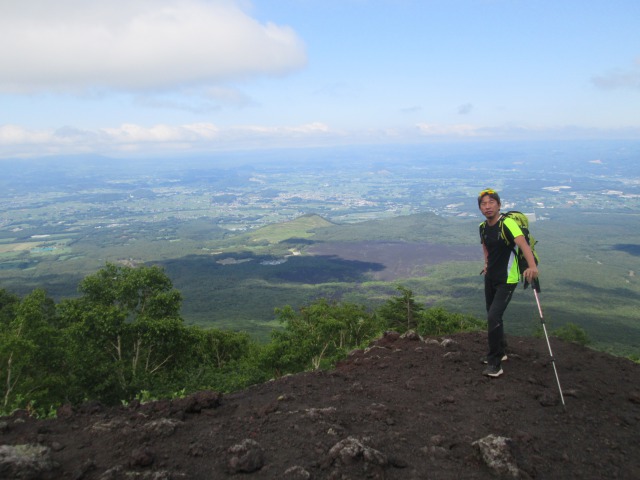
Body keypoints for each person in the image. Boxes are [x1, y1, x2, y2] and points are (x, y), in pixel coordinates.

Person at [478, 189, 538, 378]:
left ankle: (495, 363)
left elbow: (523, 245)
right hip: (491, 278)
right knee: (493, 315)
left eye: (491, 202)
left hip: (507, 279)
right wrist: (486, 264)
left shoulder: (508, 224)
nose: (487, 207)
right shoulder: (483, 227)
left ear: (499, 205)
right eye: (483, 204)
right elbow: (486, 246)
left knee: (494, 317)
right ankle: (501, 351)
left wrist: (532, 267)